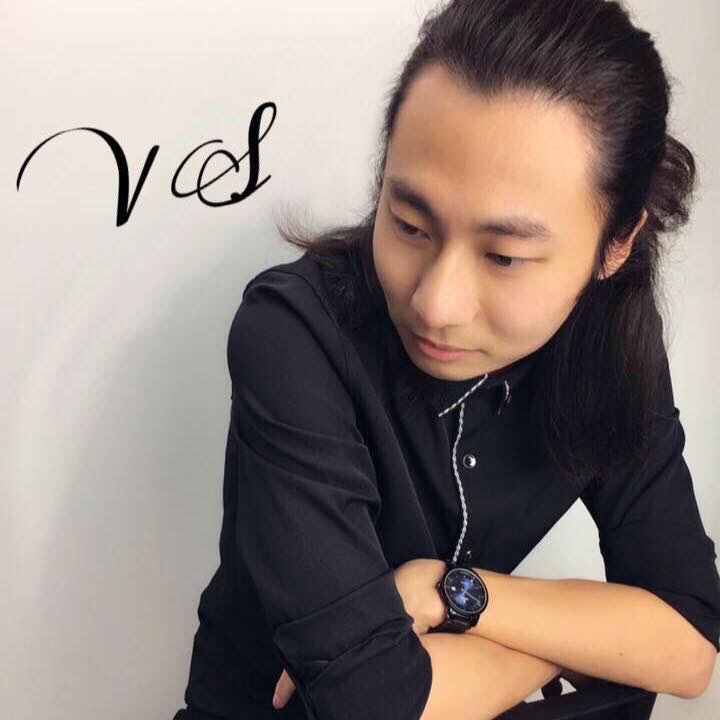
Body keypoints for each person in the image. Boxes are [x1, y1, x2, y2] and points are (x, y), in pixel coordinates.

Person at [173, 1, 720, 719]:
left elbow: (688, 641)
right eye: (409, 224)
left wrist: (454, 592)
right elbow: (371, 702)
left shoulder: (608, 341)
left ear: (616, 245)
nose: (436, 303)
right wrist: (574, 646)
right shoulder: (293, 332)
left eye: (505, 256)